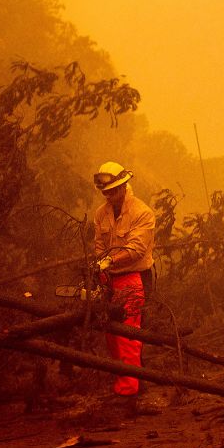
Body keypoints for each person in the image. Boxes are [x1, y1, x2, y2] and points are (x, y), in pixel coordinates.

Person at [91, 161, 156, 403]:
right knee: (111, 334)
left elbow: (136, 249)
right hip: (110, 277)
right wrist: (101, 266)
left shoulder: (142, 213)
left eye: (112, 191)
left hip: (134, 276)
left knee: (128, 333)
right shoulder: (101, 213)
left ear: (123, 186)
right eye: (104, 192)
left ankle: (129, 389)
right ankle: (129, 381)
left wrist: (110, 260)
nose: (108, 196)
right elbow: (99, 244)